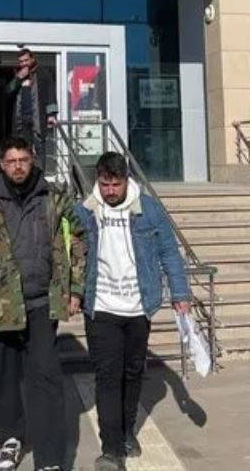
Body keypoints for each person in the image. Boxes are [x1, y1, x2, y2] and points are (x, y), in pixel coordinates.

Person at [0, 136, 87, 471]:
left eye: (23, 160)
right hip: (0, 306)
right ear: (1, 164)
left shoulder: (54, 197)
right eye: (11, 161)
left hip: (43, 303)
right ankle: (11, 438)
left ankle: (49, 458)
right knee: (4, 380)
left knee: (46, 380)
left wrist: (76, 290)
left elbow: (77, 242)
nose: (18, 167)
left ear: (33, 161)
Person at [75, 152, 192, 471]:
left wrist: (180, 292)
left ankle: (127, 431)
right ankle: (111, 449)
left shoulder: (149, 209)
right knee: (107, 376)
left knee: (132, 372)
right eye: (105, 185)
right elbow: (67, 251)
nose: (110, 191)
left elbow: (169, 251)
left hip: (139, 306)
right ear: (97, 181)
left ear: (127, 180)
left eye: (116, 184)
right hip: (101, 306)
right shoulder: (86, 210)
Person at [6, 48, 58, 165]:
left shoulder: (43, 73)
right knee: (23, 149)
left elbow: (51, 94)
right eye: (21, 61)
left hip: (38, 117)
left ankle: (40, 174)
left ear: (32, 59)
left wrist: (52, 114)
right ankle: (27, 173)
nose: (24, 63)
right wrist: (19, 78)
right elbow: (7, 92)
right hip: (21, 119)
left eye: (26, 60)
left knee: (40, 148)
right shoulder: (16, 74)